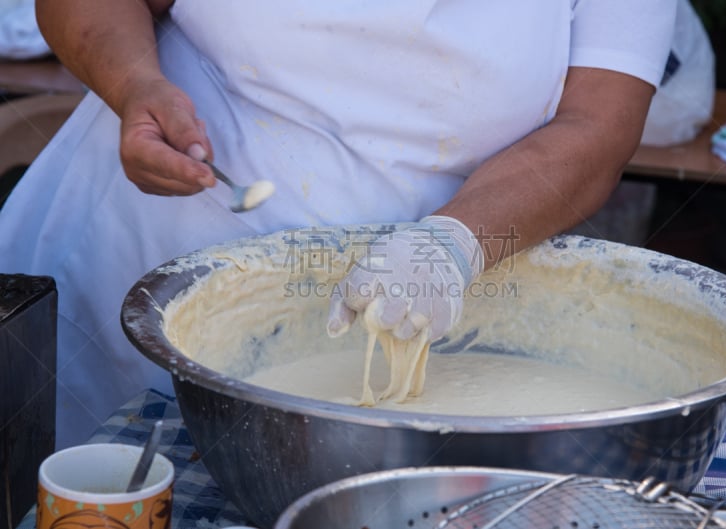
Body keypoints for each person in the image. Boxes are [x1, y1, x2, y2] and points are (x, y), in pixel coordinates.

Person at [0, 0, 676, 448]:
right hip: (135, 267)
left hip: (425, 301)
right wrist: (133, 84)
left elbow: (598, 124)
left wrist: (453, 242)